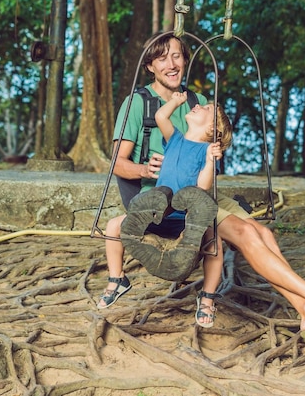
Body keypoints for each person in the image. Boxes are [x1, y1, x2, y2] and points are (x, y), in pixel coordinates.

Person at [110, 32, 305, 340]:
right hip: (166, 202)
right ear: (151, 66)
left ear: (185, 61)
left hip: (201, 193)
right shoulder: (137, 103)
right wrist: (144, 168)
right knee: (245, 233)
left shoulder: (197, 103)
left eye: (177, 56)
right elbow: (116, 163)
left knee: (264, 232)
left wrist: (213, 155)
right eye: (163, 58)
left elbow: (210, 144)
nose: (171, 64)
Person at [97, 88, 233, 329]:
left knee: (214, 241)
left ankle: (208, 296)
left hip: (187, 219)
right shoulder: (175, 140)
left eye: (207, 108)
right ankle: (117, 279)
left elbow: (202, 188)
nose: (198, 105)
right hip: (158, 212)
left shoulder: (206, 152)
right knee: (113, 226)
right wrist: (174, 102)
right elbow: (161, 118)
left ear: (214, 130)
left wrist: (212, 161)